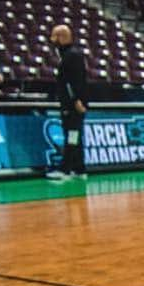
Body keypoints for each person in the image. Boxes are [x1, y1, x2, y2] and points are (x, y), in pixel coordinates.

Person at [47, 24, 89, 180]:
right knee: (74, 135)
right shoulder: (67, 55)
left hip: (73, 105)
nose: (51, 40)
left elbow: (75, 81)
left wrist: (77, 99)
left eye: (53, 36)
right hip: (71, 103)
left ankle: (65, 169)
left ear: (62, 37)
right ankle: (79, 168)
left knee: (72, 135)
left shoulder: (72, 55)